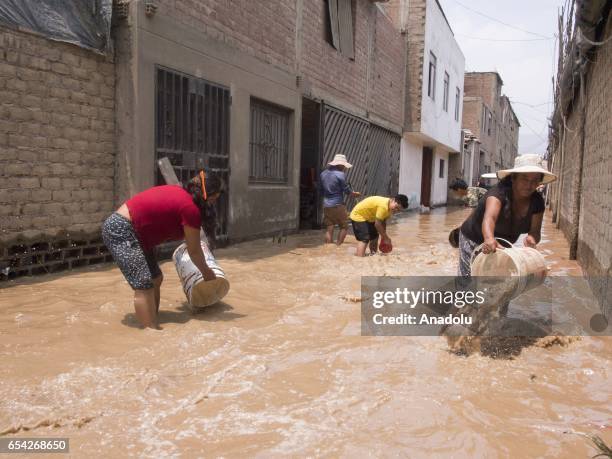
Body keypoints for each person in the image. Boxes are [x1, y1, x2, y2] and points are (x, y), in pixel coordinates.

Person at [101, 170, 224, 329]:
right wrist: (207, 272)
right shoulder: (190, 208)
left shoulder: (183, 197)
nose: (214, 204)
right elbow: (194, 251)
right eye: (214, 199)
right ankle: (150, 331)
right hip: (121, 229)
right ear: (209, 195)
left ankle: (152, 318)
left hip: (136, 233)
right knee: (144, 284)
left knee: (155, 279)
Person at [457, 154, 557, 277]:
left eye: (535, 180)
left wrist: (532, 239)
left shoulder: (537, 202)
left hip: (501, 246)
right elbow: (490, 218)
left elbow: (535, 231)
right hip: (473, 237)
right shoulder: (498, 194)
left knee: (495, 280)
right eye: (525, 179)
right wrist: (489, 238)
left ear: (539, 182)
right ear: (513, 178)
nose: (529, 185)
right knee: (467, 279)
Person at [319, 154, 361, 245]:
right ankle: (338, 247)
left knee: (330, 226)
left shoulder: (323, 174)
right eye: (344, 166)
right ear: (340, 165)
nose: (345, 168)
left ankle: (328, 248)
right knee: (344, 227)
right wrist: (354, 194)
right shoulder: (340, 174)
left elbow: (321, 190)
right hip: (338, 204)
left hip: (326, 205)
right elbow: (346, 190)